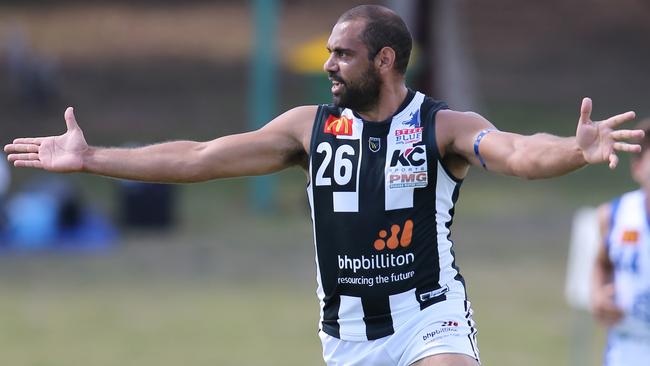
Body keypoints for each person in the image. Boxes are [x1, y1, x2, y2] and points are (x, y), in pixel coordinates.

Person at [4, 5, 644, 366]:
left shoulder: (443, 126)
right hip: (347, 336)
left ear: (385, 60)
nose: (328, 63)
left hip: (430, 317)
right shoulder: (306, 130)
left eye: (343, 54)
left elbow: (517, 152)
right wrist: (91, 159)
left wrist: (573, 151)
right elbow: (198, 157)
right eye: (330, 52)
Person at [591, 118, 650, 366]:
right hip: (627, 348)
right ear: (637, 167)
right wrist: (598, 295)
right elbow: (602, 262)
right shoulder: (614, 215)